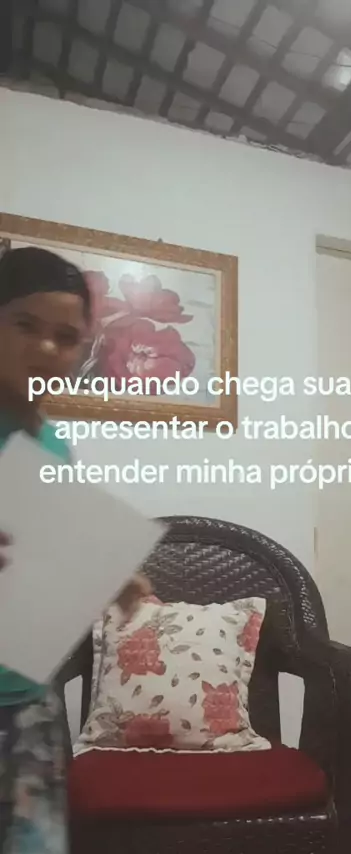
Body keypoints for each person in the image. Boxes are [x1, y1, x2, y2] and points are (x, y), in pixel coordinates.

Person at [0, 246, 150, 853]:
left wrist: (113, 575)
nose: (45, 348)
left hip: (28, 700)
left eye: (65, 338)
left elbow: (50, 541)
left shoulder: (54, 446)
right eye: (25, 325)